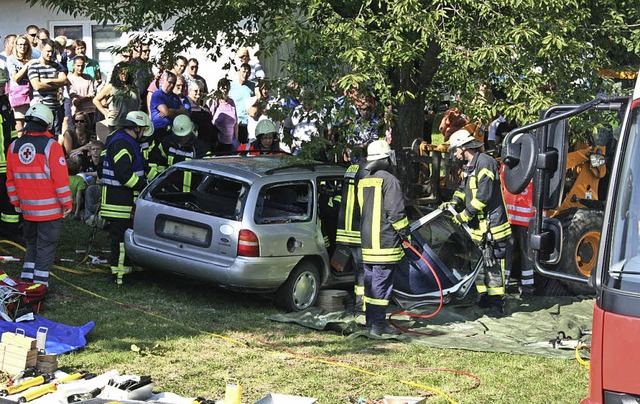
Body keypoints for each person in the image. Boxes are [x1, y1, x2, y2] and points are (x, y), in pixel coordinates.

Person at [441, 129, 512, 316]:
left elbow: (484, 196)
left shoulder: (486, 163)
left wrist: (465, 214)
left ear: (464, 148)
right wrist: (454, 202)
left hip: (493, 227)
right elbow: (463, 189)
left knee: (493, 265)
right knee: (478, 264)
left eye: (455, 149)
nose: (454, 153)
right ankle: (484, 298)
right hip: (478, 228)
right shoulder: (469, 166)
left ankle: (497, 303)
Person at [6, 104, 73, 286]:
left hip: (27, 210)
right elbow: (60, 181)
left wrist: (15, 202)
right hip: (49, 211)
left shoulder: (14, 146)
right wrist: (67, 203)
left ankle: (27, 280)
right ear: (48, 123)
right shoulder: (51, 146)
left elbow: (10, 180)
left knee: (32, 244)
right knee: (46, 246)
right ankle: (39, 287)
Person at [358, 139, 409, 335]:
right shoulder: (390, 181)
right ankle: (379, 326)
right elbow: (396, 214)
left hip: (368, 240)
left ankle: (371, 321)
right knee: (381, 284)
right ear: (386, 158)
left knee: (371, 283)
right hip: (385, 241)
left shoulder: (364, 179)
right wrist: (406, 235)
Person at [99, 111, 152, 285]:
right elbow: (124, 174)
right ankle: (120, 277)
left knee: (123, 238)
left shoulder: (124, 140)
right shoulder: (122, 143)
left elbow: (141, 166)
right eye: (143, 129)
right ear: (136, 128)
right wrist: (143, 186)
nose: (143, 133)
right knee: (120, 240)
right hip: (119, 202)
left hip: (121, 200)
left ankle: (126, 272)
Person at [335, 151, 368, 312]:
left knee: (357, 268)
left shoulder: (351, 169)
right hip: (357, 229)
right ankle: (361, 304)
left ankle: (357, 301)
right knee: (362, 269)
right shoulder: (365, 172)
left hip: (345, 227)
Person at [28, 39, 68, 136]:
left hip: (55, 106)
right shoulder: (34, 66)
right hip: (41, 107)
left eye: (52, 52)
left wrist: (48, 81)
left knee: (55, 135)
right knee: (41, 134)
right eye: (48, 51)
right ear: (41, 49)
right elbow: (37, 86)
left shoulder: (56, 66)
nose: (50, 54)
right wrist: (57, 83)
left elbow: (65, 81)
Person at [148, 114, 200, 182]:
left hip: (194, 191)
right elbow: (157, 161)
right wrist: (162, 181)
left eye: (186, 135)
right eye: (180, 136)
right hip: (170, 190)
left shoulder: (200, 148)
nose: (183, 139)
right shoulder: (167, 143)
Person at [93, 61, 139, 135]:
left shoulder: (134, 87)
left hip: (132, 123)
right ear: (117, 73)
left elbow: (138, 103)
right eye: (122, 73)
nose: (124, 75)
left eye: (126, 72)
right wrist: (106, 113)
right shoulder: (111, 87)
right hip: (117, 124)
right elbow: (96, 100)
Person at [7, 35, 35, 133]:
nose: (22, 47)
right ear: (16, 46)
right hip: (19, 95)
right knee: (20, 124)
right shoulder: (11, 59)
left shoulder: (31, 59)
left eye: (25, 45)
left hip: (31, 95)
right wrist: (27, 65)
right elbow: (16, 77)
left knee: (32, 123)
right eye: (20, 45)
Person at [228, 63, 254, 144]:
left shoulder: (252, 86)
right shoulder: (231, 86)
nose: (245, 74)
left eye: (247, 72)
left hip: (248, 122)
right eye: (243, 71)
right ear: (238, 71)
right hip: (235, 123)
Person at [211, 77, 238, 152]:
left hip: (231, 142)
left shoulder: (231, 102)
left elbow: (236, 122)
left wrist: (236, 139)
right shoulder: (215, 102)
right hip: (219, 143)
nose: (225, 90)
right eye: (223, 88)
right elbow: (210, 120)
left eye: (227, 88)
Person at [67, 55, 96, 120]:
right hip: (76, 111)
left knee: (90, 129)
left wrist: (82, 99)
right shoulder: (70, 79)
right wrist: (77, 101)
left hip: (89, 109)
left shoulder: (88, 78)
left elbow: (92, 93)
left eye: (82, 66)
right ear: (73, 65)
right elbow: (72, 94)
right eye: (78, 66)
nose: (80, 68)